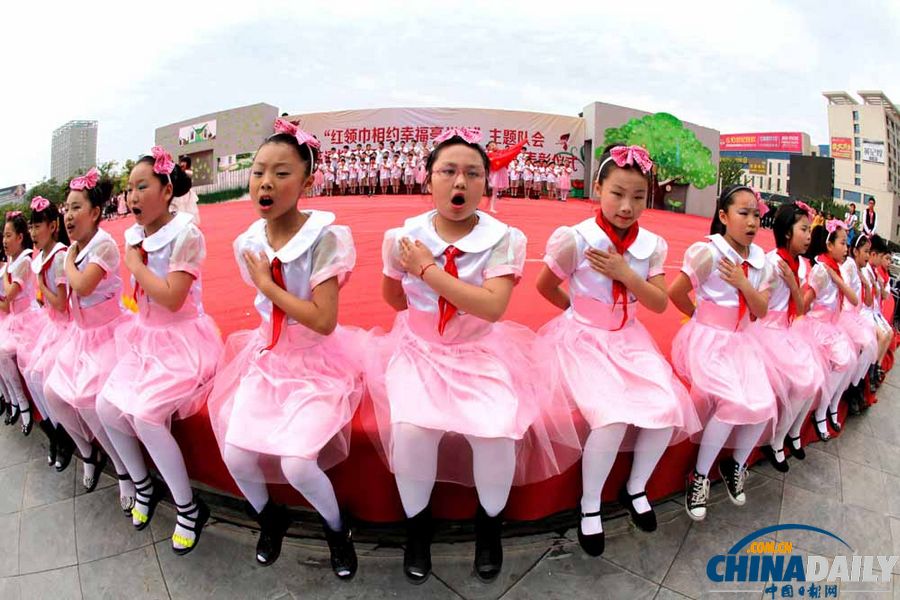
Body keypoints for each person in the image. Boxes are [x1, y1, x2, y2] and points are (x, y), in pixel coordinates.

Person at [367, 128, 576, 584]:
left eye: (472, 173)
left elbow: (491, 306)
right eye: (448, 171)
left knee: (496, 434)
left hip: (479, 351)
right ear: (428, 180)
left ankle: (490, 528)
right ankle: (417, 531)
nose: (459, 182)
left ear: (486, 183)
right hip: (419, 350)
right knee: (412, 433)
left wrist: (425, 269)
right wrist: (403, 270)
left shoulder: (504, 239)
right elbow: (396, 300)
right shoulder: (402, 237)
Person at [207, 119, 361, 577]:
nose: (265, 183)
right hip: (268, 357)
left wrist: (266, 286)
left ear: (307, 182)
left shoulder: (327, 237)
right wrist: (265, 290)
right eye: (257, 172)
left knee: (297, 461)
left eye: (281, 173)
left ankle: (337, 528)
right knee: (235, 452)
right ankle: (269, 517)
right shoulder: (246, 242)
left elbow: (323, 319)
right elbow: (267, 314)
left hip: (316, 360)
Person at [536, 144, 700, 556]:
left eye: (638, 197)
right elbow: (543, 286)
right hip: (583, 341)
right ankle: (589, 505)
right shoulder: (575, 239)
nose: (627, 206)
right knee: (608, 418)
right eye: (617, 194)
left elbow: (660, 303)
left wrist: (626, 273)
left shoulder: (653, 245)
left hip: (630, 339)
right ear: (597, 189)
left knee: (666, 410)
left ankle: (636, 487)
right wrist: (576, 311)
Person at [96, 146, 223, 555]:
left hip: (181, 341)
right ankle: (142, 482)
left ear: (167, 190)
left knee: (147, 415)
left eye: (142, 186)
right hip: (145, 338)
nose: (132, 196)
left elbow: (171, 298)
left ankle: (188, 506)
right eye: (129, 189)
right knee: (106, 407)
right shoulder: (136, 234)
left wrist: (134, 266)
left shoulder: (186, 234)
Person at [668, 185, 778, 521]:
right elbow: (677, 292)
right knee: (732, 403)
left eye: (756, 214)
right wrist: (699, 320)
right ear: (723, 216)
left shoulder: (760, 263)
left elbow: (759, 310)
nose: (751, 221)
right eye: (743, 213)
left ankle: (736, 465)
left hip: (743, 341)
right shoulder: (708, 253)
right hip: (710, 340)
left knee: (763, 404)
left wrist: (743, 283)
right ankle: (699, 476)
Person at [43, 170, 135, 506]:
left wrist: (66, 257)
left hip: (108, 335)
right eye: (66, 208)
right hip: (81, 336)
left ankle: (124, 470)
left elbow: (82, 286)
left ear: (95, 213)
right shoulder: (79, 246)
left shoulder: (104, 245)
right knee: (53, 392)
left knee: (92, 402)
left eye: (76, 207)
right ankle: (87, 451)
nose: (67, 214)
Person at [748, 202, 824, 472]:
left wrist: (793, 284)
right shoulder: (771, 262)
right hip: (766, 331)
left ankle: (782, 437)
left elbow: (801, 309)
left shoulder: (801, 266)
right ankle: (773, 440)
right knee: (799, 380)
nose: (808, 236)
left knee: (812, 379)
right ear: (787, 231)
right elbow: (759, 307)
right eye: (803, 229)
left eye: (809, 230)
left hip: (788, 330)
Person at [797, 220, 858, 441]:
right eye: (842, 243)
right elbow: (804, 304)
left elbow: (853, 298)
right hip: (817, 326)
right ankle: (819, 411)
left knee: (850, 360)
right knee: (839, 362)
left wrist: (837, 280)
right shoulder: (822, 270)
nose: (846, 248)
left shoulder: (835, 270)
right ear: (829, 245)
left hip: (832, 326)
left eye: (847, 244)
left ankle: (828, 405)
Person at [171, 156, 201, 226]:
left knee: (189, 208)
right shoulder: (180, 170)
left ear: (187, 164)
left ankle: (190, 222)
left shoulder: (189, 172)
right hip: (180, 192)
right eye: (181, 162)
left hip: (187, 193)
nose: (182, 164)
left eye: (184, 162)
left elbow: (186, 178)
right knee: (180, 208)